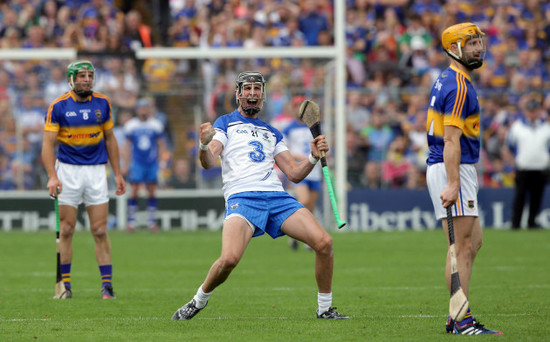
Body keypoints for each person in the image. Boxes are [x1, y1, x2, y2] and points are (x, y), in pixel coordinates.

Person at [171, 71, 348, 320]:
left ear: (263, 95)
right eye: (247, 89)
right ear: (238, 94)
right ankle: (198, 300)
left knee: (324, 243)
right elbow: (209, 161)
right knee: (229, 259)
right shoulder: (225, 123)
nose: (252, 93)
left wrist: (312, 157)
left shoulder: (273, 132)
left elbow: (294, 174)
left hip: (277, 197)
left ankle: (325, 309)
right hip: (243, 197)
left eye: (257, 89)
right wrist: (203, 145)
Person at [425, 23, 501, 335]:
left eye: (479, 42)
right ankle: (460, 319)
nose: (478, 49)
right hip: (453, 166)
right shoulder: (457, 85)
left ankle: (457, 315)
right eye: (471, 44)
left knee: (473, 242)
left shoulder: (450, 79)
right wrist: (454, 182)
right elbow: (451, 140)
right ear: (455, 48)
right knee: (460, 246)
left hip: (452, 166)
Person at [42, 60, 126, 299]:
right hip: (68, 171)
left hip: (97, 172)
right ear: (71, 79)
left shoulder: (103, 103)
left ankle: (107, 286)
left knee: (99, 229)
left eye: (89, 75)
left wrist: (118, 173)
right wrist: (52, 176)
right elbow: (48, 144)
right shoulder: (58, 106)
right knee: (67, 229)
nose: (86, 79)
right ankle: (65, 285)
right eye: (81, 76)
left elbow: (110, 139)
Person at [283, 95, 322, 251]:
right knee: (303, 200)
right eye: (296, 105)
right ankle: (293, 233)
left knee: (310, 207)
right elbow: (285, 151)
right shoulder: (288, 128)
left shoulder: (314, 127)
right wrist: (304, 158)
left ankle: (306, 240)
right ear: (293, 108)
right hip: (300, 168)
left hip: (315, 170)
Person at [122, 97, 168, 232]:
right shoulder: (131, 125)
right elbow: (126, 146)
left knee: (152, 191)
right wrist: (126, 164)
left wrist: (162, 162)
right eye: (141, 108)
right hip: (137, 162)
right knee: (134, 191)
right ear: (137, 110)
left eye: (145, 108)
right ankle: (131, 222)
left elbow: (161, 144)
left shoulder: (155, 124)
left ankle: (152, 222)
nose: (143, 111)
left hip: (151, 162)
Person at [507, 96, 550, 229]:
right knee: (519, 197)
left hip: (540, 168)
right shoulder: (517, 127)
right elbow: (509, 147)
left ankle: (532, 222)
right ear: (525, 111)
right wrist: (512, 165)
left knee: (536, 198)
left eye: (534, 110)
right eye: (530, 110)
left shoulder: (546, 127)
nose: (532, 113)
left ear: (538, 111)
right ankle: (516, 223)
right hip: (523, 168)